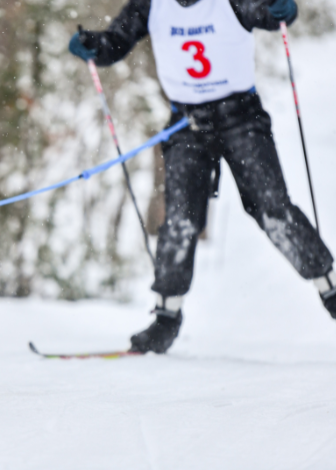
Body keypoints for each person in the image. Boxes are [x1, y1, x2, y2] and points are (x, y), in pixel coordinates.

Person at [69, 0, 336, 353]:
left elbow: (270, 14)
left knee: (273, 209)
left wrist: (281, 11)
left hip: (241, 117)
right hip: (187, 123)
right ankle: (166, 318)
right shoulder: (151, 4)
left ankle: (330, 290)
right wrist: (92, 45)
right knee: (180, 218)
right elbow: (115, 43)